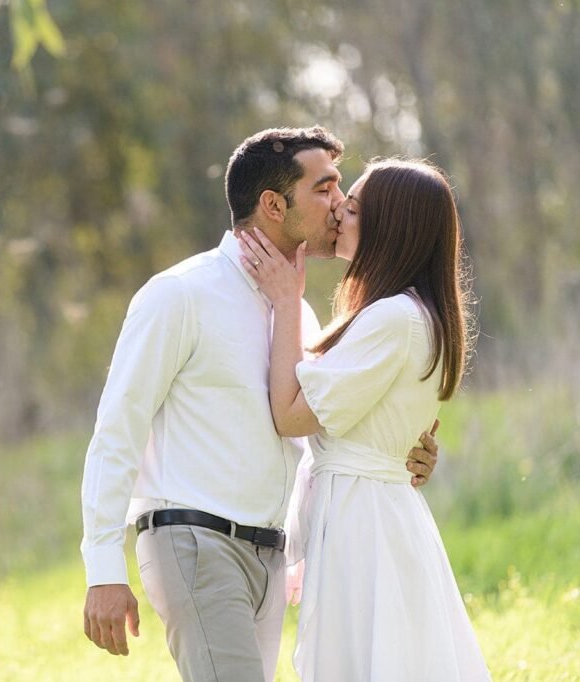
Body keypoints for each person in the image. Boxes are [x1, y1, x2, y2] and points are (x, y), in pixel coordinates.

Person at [80, 127, 440, 681]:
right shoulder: (180, 294)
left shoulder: (300, 316)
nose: (339, 204)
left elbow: (318, 430)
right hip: (195, 541)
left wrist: (402, 450)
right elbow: (117, 430)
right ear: (273, 204)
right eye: (324, 188)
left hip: (271, 557)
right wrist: (104, 569)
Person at [238, 158, 489, 680]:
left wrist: (286, 300)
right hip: (374, 510)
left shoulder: (394, 318)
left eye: (351, 209)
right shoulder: (411, 313)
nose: (337, 215)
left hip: (363, 519)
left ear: (389, 227)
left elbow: (290, 416)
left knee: (367, 659)